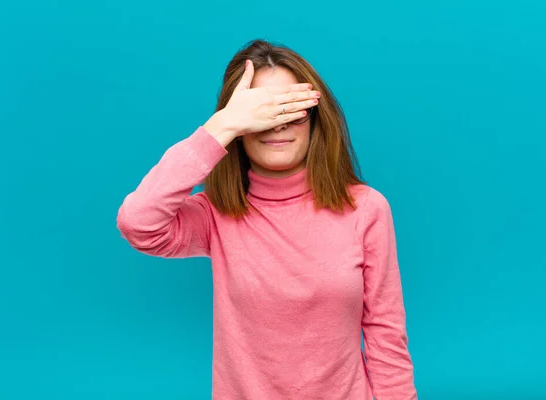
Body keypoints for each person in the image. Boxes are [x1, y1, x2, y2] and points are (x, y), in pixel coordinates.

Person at [116, 39, 417, 400]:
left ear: (315, 118)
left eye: (291, 108)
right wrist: (221, 126)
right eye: (261, 111)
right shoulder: (215, 214)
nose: (277, 125)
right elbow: (138, 223)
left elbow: (386, 336)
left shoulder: (366, 209)